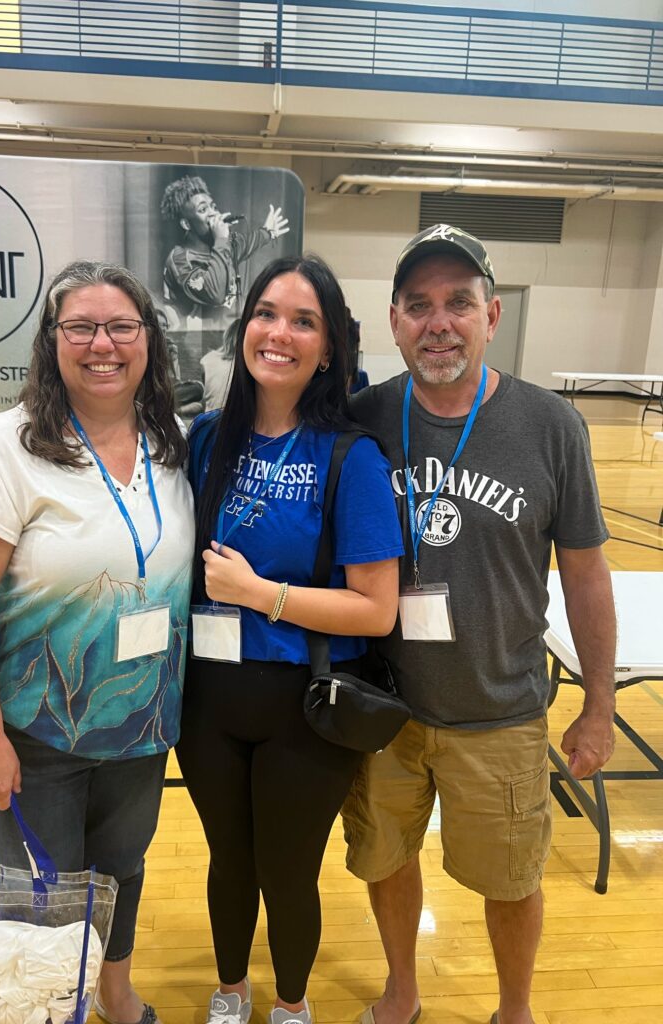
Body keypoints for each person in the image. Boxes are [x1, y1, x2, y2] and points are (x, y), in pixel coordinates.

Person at [341, 224, 617, 1024]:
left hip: (501, 710)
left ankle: (515, 1008)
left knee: (512, 879)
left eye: (458, 303)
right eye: (418, 305)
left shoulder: (550, 426)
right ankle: (403, 989)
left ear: (491, 316)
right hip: (385, 709)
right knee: (385, 859)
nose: (439, 323)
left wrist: (599, 706)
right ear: (394, 321)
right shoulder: (362, 419)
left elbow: (587, 575)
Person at [0, 261, 195, 1024]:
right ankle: (51, 1008)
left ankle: (113, 991)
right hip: (31, 732)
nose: (101, 344)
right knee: (42, 898)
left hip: (140, 723)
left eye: (121, 327)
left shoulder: (171, 442)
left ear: (148, 339)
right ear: (51, 340)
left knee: (123, 868)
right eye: (80, 327)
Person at [177, 255, 404, 1024]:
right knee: (229, 860)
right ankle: (231, 990)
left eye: (304, 321)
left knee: (286, 870)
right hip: (209, 698)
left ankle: (291, 1004)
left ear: (330, 347)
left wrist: (261, 595)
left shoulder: (351, 456)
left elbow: (376, 610)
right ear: (244, 328)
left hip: (305, 705)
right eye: (266, 314)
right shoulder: (209, 438)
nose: (280, 333)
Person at [160, 174, 289, 329]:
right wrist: (221, 239)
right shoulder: (180, 260)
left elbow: (245, 243)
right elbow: (215, 294)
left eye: (213, 207)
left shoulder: (224, 244)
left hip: (225, 339)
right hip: (193, 341)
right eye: (203, 209)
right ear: (186, 224)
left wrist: (267, 232)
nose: (213, 213)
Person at [200, 316, 239, 411]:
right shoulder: (248, 364)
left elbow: (204, 396)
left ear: (227, 336)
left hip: (209, 416)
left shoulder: (207, 359)